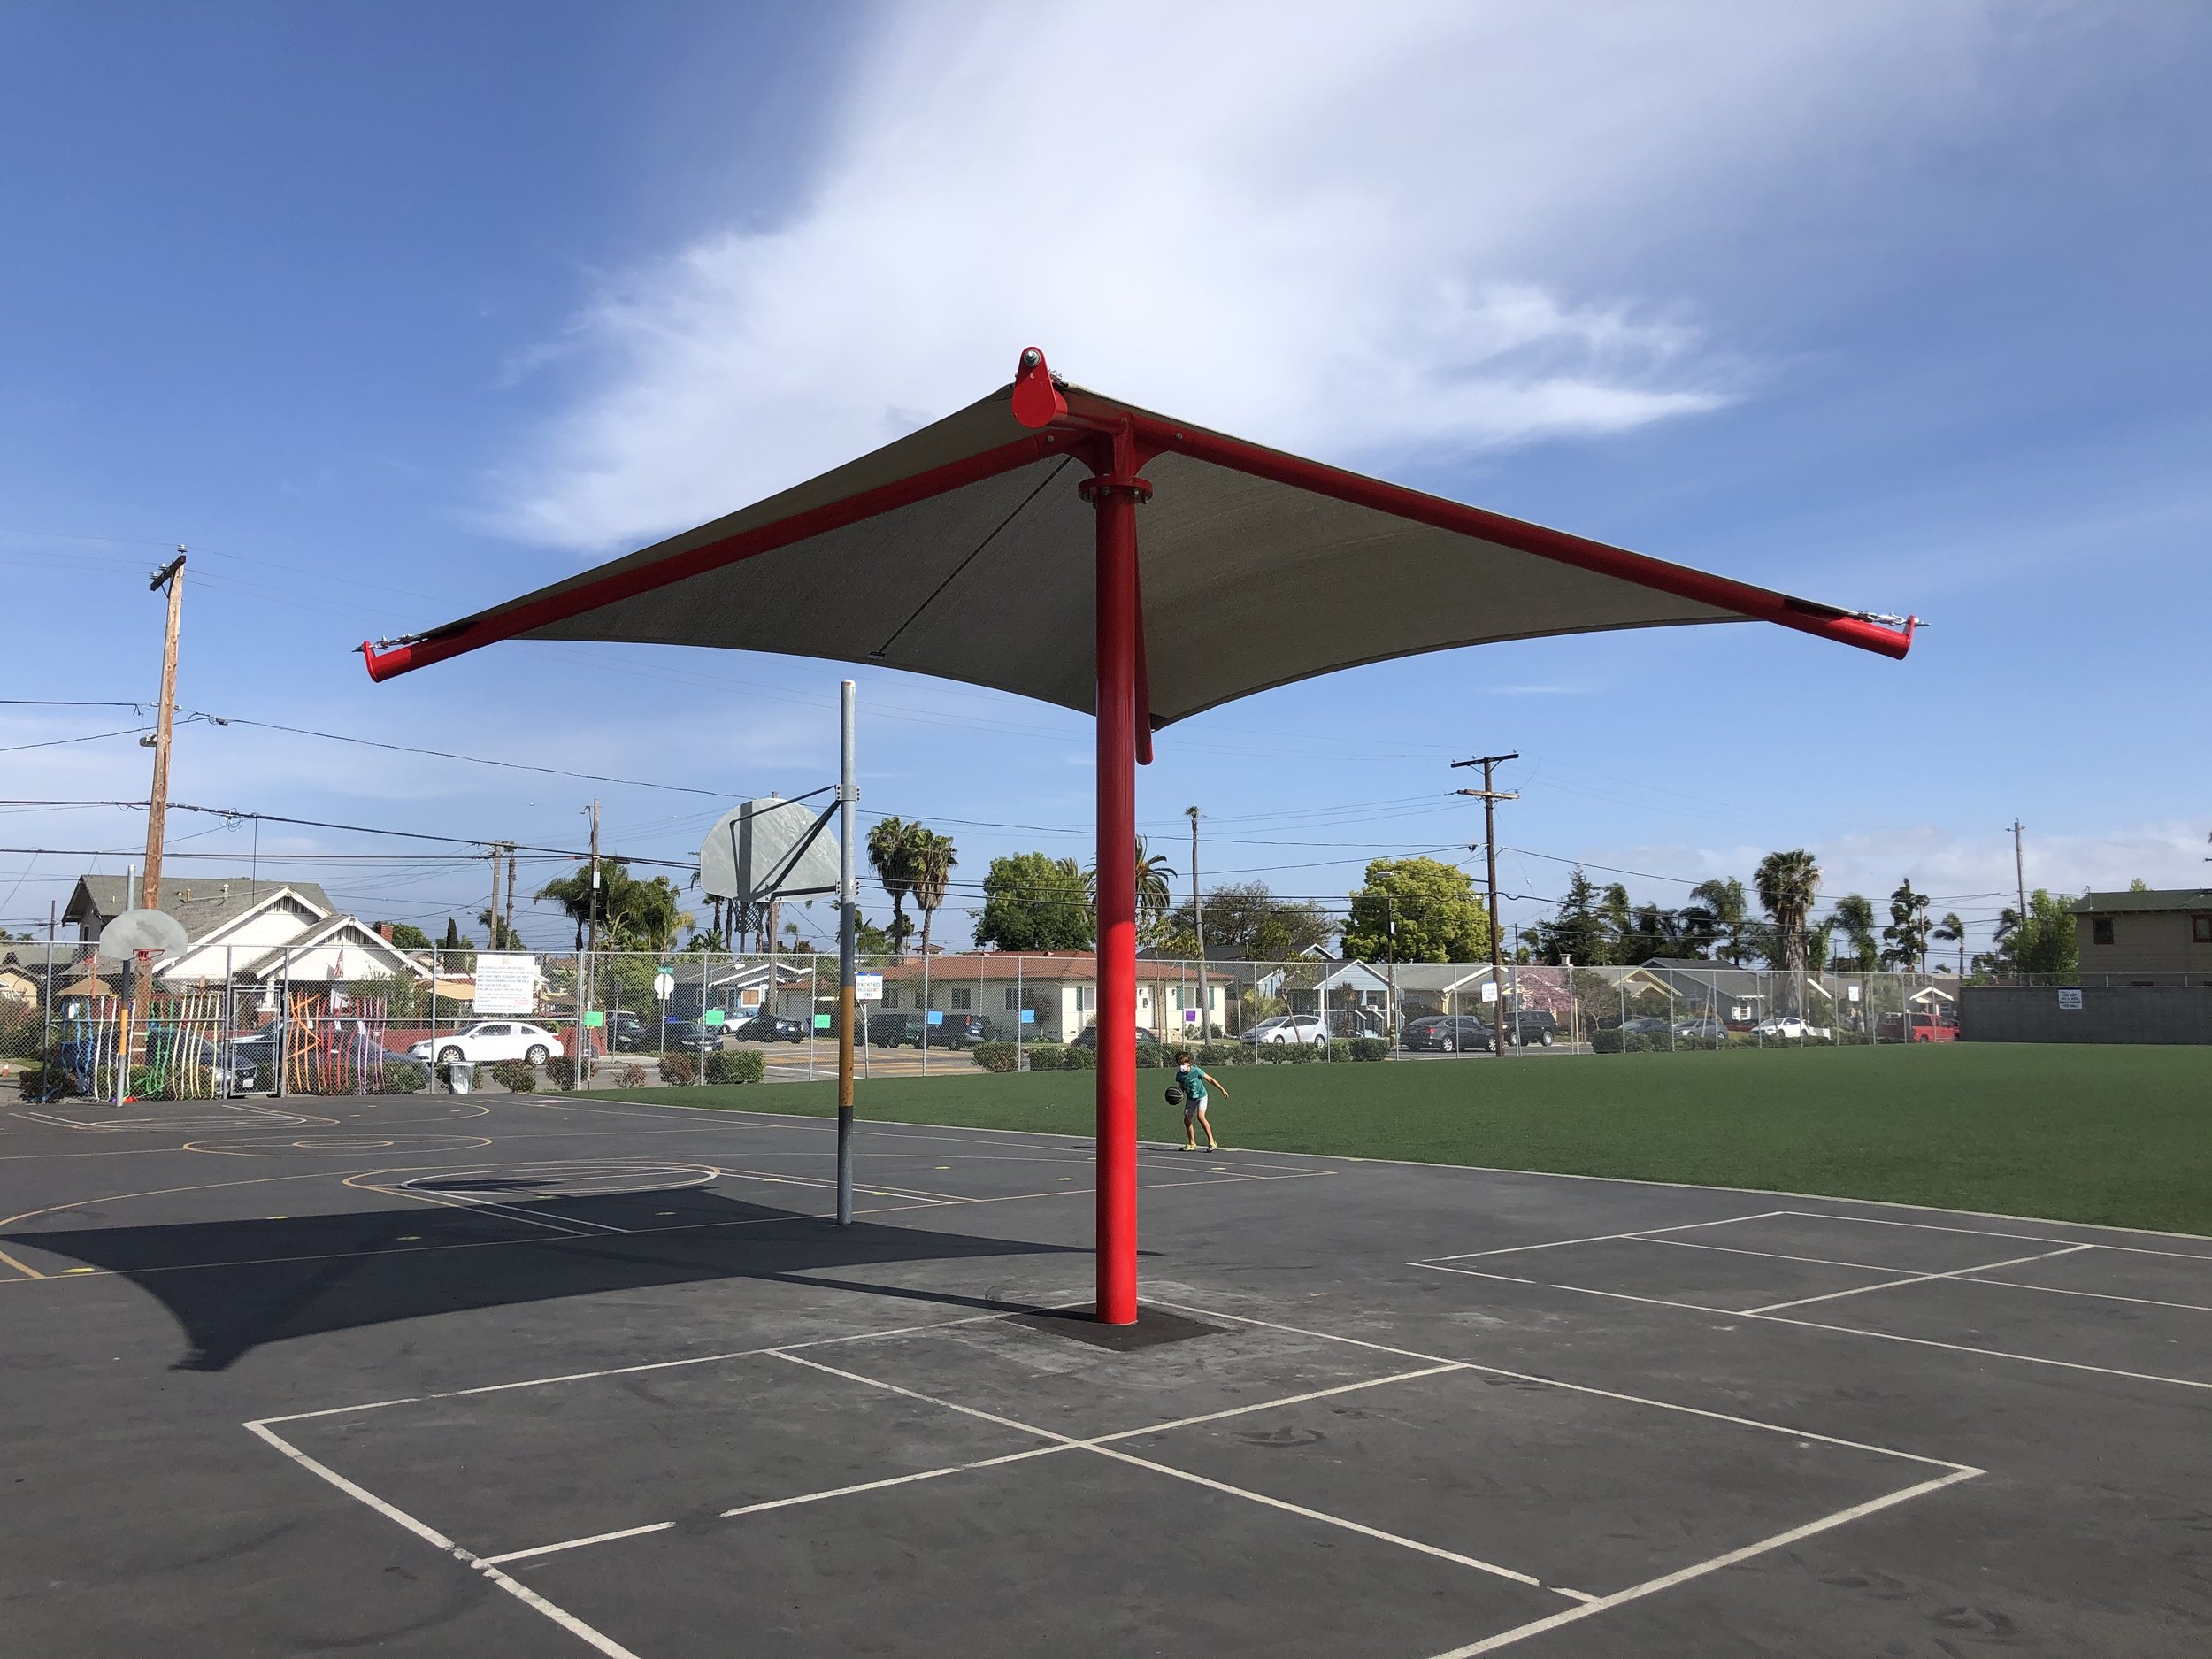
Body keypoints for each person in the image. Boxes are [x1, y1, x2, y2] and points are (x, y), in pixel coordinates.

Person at [1173, 1050, 1226, 1151]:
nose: (1181, 1066)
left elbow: (1210, 1079)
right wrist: (1175, 1097)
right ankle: (1192, 1143)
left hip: (1202, 1096)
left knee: (1201, 1117)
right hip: (1191, 1099)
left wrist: (1222, 1090)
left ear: (1189, 1063)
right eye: (1179, 1064)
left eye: (1183, 1064)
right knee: (1187, 1120)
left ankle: (1212, 1142)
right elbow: (1180, 1090)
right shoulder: (1179, 1076)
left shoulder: (1196, 1071)